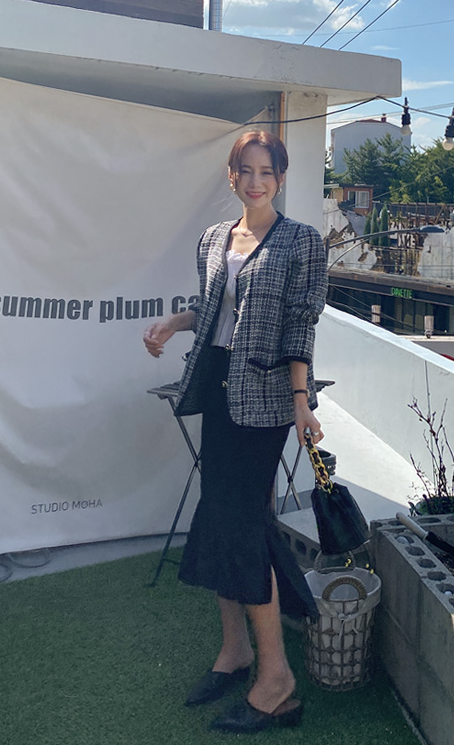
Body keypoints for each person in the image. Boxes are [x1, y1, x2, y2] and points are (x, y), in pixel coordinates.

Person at [143, 130, 327, 734]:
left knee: (244, 524)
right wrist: (173, 322)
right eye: (245, 170)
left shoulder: (302, 241)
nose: (256, 181)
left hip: (267, 402)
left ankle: (277, 679)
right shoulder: (214, 239)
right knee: (220, 515)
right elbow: (216, 309)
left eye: (267, 171)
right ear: (231, 176)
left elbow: (300, 324)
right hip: (217, 389)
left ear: (281, 178)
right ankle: (235, 651)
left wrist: (300, 402)